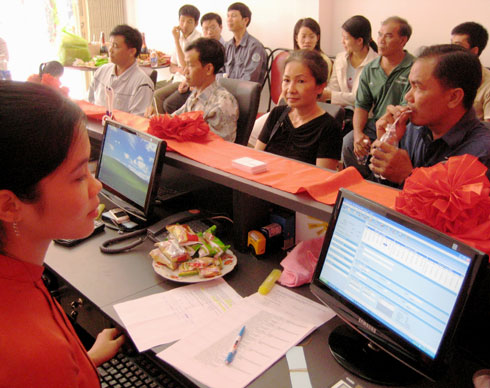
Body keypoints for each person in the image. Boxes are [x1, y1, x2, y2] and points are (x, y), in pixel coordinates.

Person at [0, 81, 124, 387]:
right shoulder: (34, 354)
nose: (97, 187)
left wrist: (83, 360)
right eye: (80, 175)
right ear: (9, 205)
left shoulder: (18, 274)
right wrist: (56, 364)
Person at [369, 45, 490, 185]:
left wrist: (408, 177)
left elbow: (456, 206)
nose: (408, 97)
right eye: (410, 86)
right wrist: (388, 144)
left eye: (418, 87)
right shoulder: (413, 130)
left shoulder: (481, 153)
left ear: (453, 98)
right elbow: (382, 195)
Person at [342, 16, 414, 177]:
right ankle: (363, 186)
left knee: (381, 150)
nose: (381, 41)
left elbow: (403, 113)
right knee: (348, 142)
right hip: (375, 125)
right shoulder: (370, 69)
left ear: (403, 40)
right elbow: (361, 106)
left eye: (388, 36)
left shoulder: (413, 68)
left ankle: (381, 187)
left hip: (402, 129)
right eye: (380, 35)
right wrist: (358, 134)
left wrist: (383, 139)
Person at [255, 50, 342, 169]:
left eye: (300, 81)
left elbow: (322, 181)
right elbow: (256, 159)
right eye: (286, 80)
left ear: (320, 87)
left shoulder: (329, 128)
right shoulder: (278, 113)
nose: (290, 89)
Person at [173, 38, 239, 141]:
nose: (185, 71)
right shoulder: (195, 94)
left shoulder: (223, 103)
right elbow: (175, 118)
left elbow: (218, 148)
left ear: (208, 69)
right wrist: (155, 118)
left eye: (190, 65)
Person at [324, 15, 379, 136]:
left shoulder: (376, 64)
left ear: (359, 41)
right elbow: (332, 88)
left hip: (364, 119)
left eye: (346, 38)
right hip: (341, 114)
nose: (342, 41)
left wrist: (331, 95)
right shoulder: (341, 58)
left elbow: (361, 100)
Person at [88, 24, 153, 116]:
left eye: (115, 46)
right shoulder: (101, 71)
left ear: (132, 52)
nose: (110, 50)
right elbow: (89, 103)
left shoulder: (143, 84)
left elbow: (136, 122)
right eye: (110, 44)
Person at [153, 4, 201, 115]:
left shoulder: (198, 40)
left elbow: (185, 67)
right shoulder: (179, 37)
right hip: (175, 78)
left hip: (186, 81)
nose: (184, 25)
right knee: (150, 88)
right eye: (182, 20)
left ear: (196, 24)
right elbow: (172, 67)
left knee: (157, 95)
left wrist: (176, 41)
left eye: (189, 22)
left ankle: (162, 126)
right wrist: (179, 70)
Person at [451, 21, 490, 121]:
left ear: (474, 51)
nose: (451, 49)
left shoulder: (487, 84)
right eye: (451, 43)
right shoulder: (445, 73)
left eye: (458, 45)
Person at [223, 2, 267, 84]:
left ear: (245, 20)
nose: (229, 19)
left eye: (233, 16)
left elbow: (249, 80)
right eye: (228, 16)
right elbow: (219, 71)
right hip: (226, 92)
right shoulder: (227, 45)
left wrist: (227, 86)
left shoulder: (255, 47)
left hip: (243, 94)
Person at [294, 18, 333, 84]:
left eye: (311, 37)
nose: (307, 41)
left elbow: (322, 88)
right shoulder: (291, 59)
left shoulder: (324, 61)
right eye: (303, 36)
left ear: (317, 38)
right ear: (296, 38)